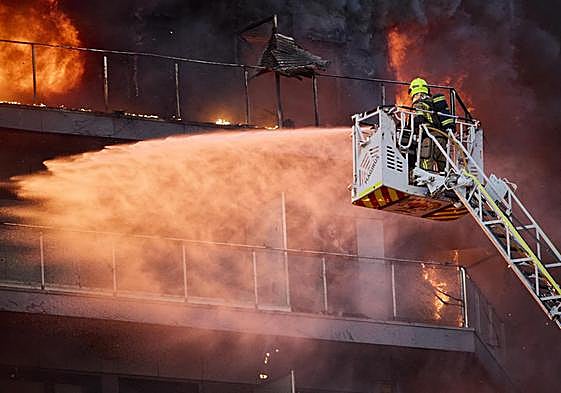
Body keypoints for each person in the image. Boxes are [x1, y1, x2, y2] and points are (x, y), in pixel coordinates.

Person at [407, 77, 450, 173]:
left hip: (429, 140)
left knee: (426, 170)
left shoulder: (418, 104)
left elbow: (418, 121)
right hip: (443, 140)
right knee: (446, 172)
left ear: (413, 91)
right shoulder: (434, 104)